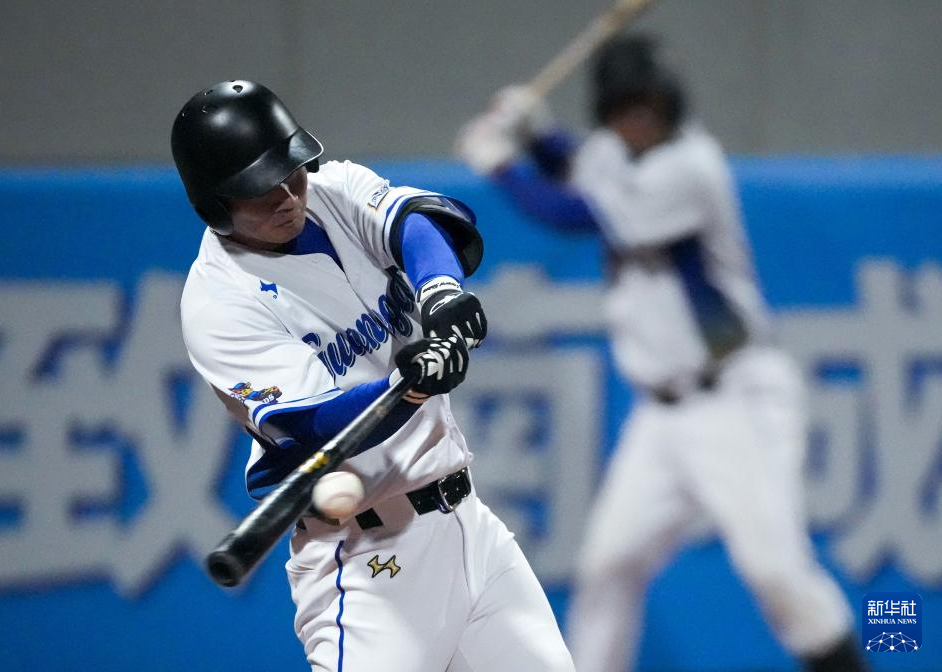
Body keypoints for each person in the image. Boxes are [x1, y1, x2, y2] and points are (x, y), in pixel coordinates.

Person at [455, 35, 868, 672]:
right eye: (624, 110)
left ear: (669, 103)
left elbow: (574, 212)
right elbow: (582, 167)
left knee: (776, 572)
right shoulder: (613, 152)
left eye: (646, 106)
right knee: (609, 567)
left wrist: (502, 166)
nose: (637, 121)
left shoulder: (690, 166)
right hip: (663, 416)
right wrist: (537, 135)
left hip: (734, 398)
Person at [171, 80, 575, 672]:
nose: (287, 196)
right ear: (214, 204)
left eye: (291, 172)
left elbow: (416, 223)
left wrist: (440, 294)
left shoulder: (331, 191)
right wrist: (403, 387)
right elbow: (309, 422)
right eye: (261, 188)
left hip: (468, 528)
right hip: (366, 560)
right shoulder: (218, 301)